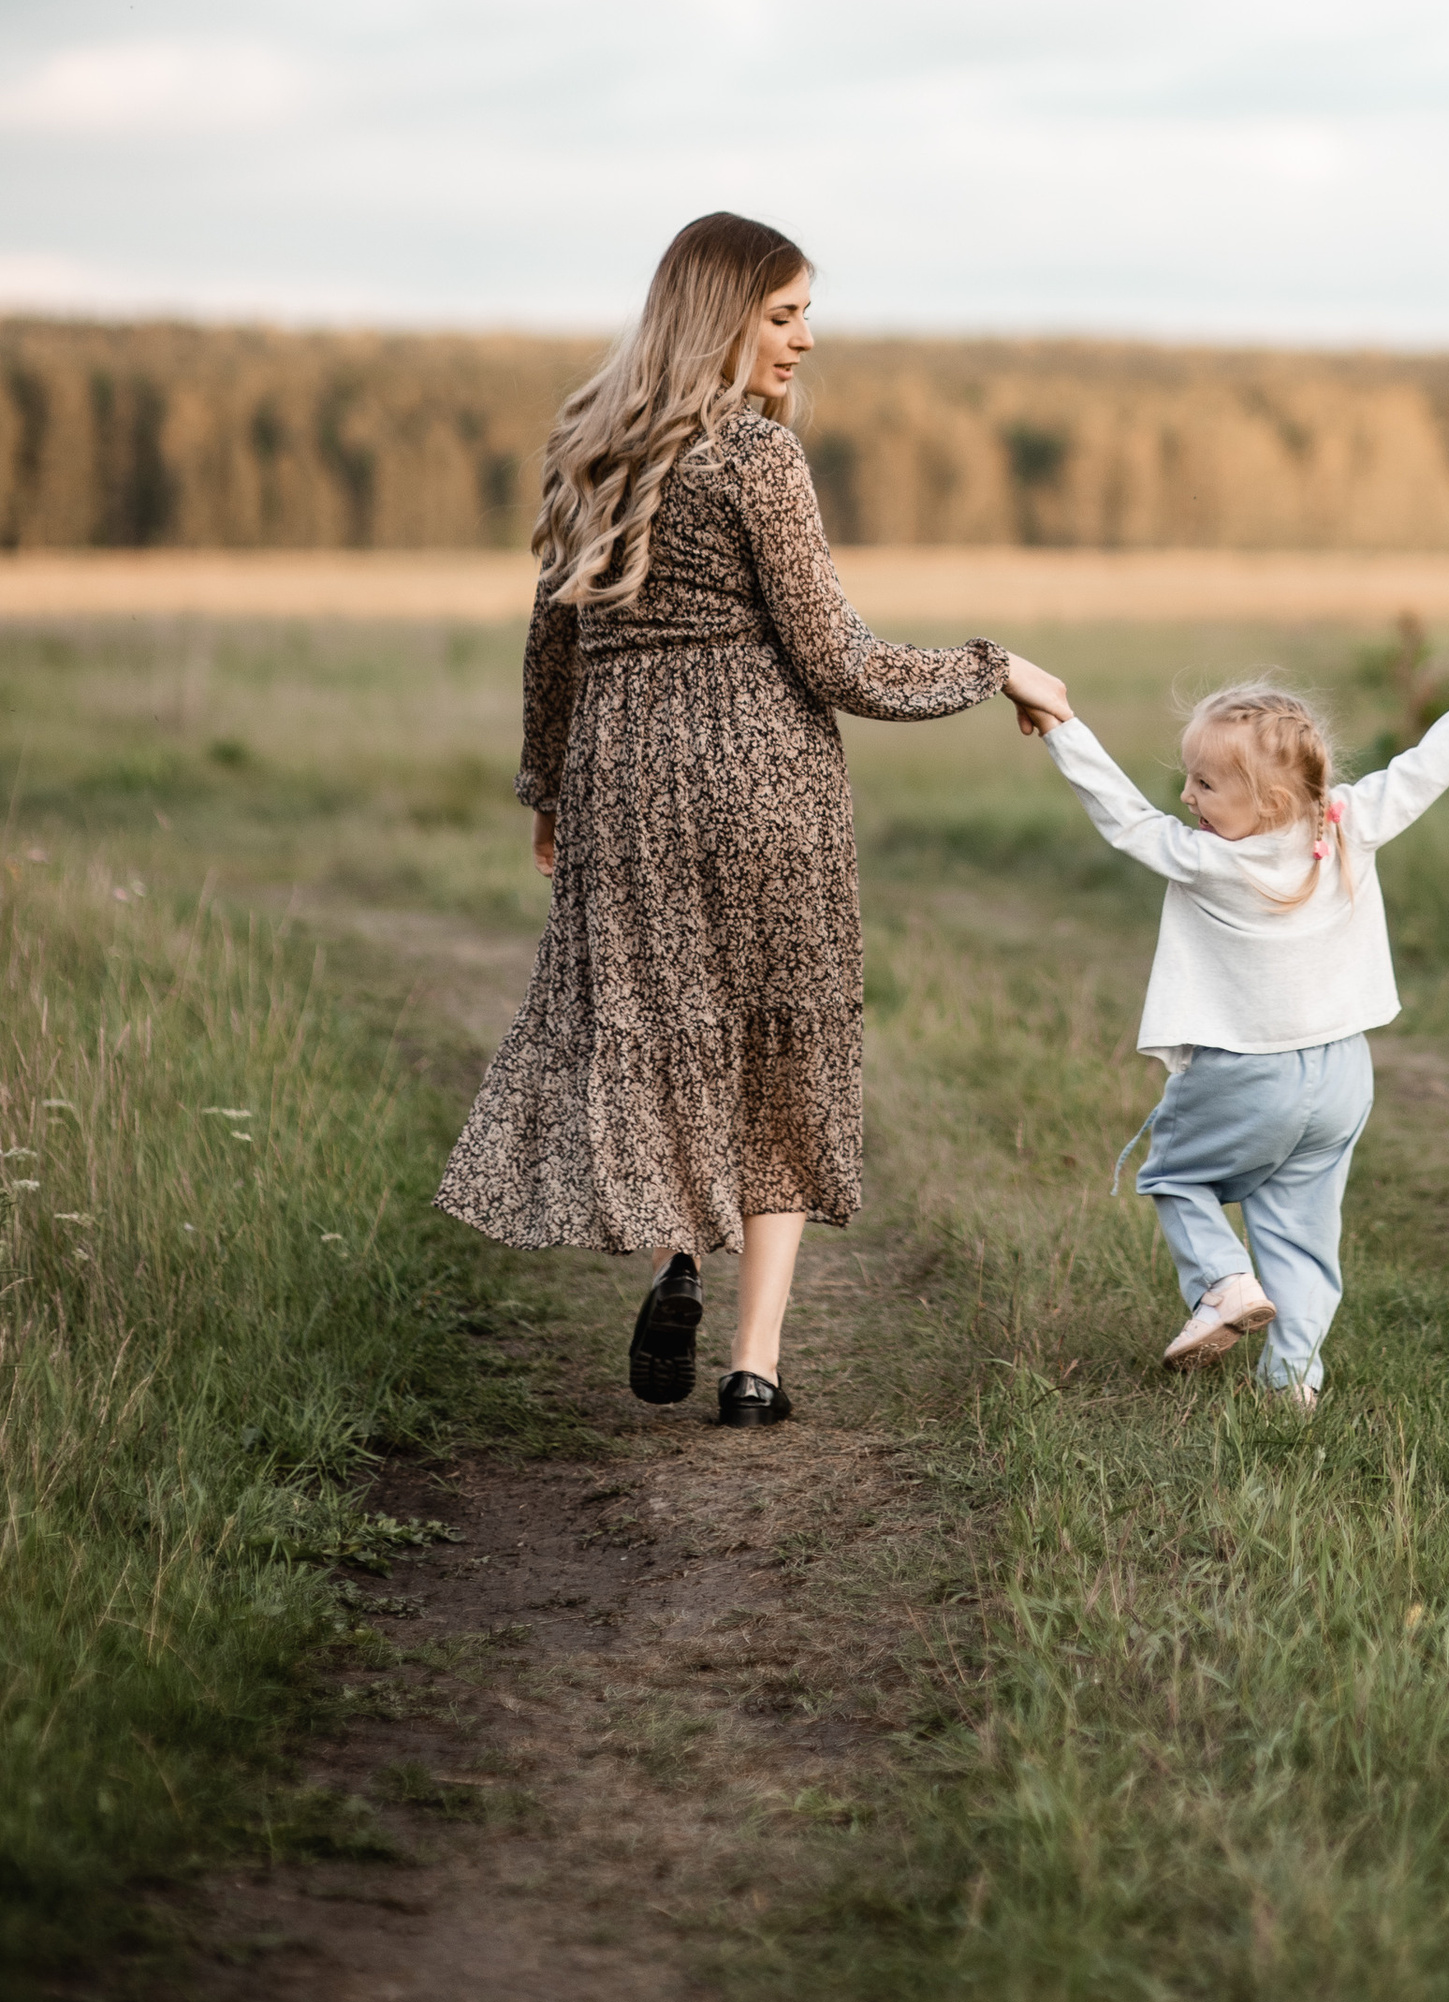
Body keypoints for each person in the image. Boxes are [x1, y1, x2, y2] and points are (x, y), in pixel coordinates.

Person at [435, 211, 1066, 1424]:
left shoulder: (590, 448)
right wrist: (997, 668)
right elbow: (835, 660)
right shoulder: (755, 460)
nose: (807, 340)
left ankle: (676, 1249)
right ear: (722, 316)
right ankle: (752, 1367)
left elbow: (549, 645)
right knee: (782, 1051)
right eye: (784, 316)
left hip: (622, 779)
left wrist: (550, 791)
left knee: (659, 1027)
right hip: (762, 783)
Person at [1020, 671, 1449, 1403]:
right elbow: (1427, 766)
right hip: (1344, 1074)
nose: (1187, 796)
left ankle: (1223, 1284)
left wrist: (1061, 724)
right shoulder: (1347, 822)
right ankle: (1292, 1384)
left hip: (1242, 1073)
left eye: (1205, 784)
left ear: (1271, 801)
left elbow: (1122, 815)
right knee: (1301, 1232)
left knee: (1177, 1177)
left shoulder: (1208, 859)